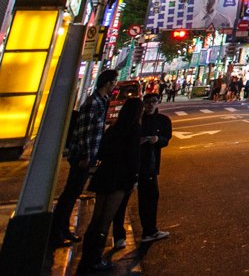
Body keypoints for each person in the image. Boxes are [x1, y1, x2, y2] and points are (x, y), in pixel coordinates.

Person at [50, 68, 118, 247]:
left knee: (73, 193)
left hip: (89, 155)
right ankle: (57, 231)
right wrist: (86, 155)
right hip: (83, 156)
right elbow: (84, 132)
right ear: (106, 83)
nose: (114, 86)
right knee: (70, 193)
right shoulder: (93, 103)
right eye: (113, 83)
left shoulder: (101, 101)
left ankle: (62, 229)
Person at [79, 96, 143, 270]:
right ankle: (95, 258)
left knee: (97, 217)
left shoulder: (113, 128)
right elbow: (133, 156)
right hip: (120, 177)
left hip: (105, 173)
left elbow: (101, 152)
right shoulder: (134, 129)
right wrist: (134, 178)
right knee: (106, 219)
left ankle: (87, 256)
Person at [112, 91, 173, 247]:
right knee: (121, 201)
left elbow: (166, 139)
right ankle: (118, 236)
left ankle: (149, 230)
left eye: (154, 101)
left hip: (148, 166)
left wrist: (157, 139)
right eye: (147, 102)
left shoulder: (162, 121)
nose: (151, 105)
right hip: (128, 166)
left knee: (149, 199)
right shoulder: (134, 122)